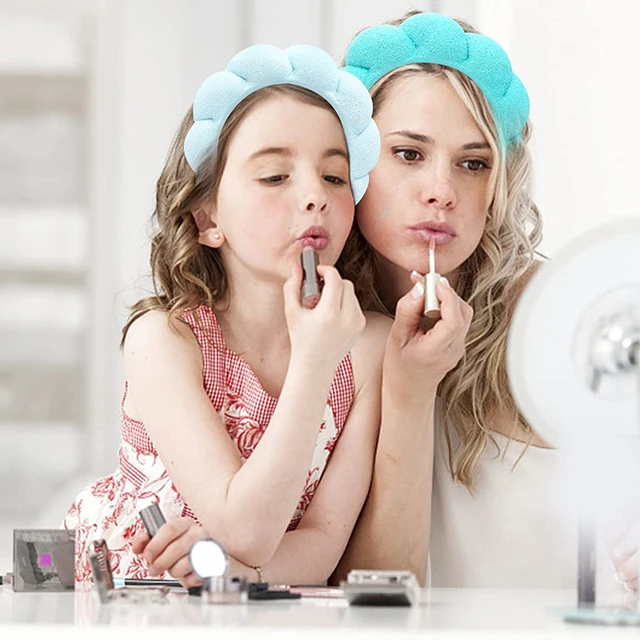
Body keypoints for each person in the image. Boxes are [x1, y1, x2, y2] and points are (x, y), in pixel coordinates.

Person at [63, 42, 390, 587]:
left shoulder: (367, 346)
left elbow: (321, 547)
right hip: (121, 597)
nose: (315, 195)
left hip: (244, 602)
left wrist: (230, 574)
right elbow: (245, 528)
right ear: (208, 218)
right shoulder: (162, 340)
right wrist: (314, 362)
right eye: (274, 177)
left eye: (335, 177)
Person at [334, 10, 637, 593]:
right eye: (409, 153)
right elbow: (376, 593)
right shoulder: (325, 332)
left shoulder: (560, 322)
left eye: (473, 164)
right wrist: (408, 389)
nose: (441, 192)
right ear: (352, 161)